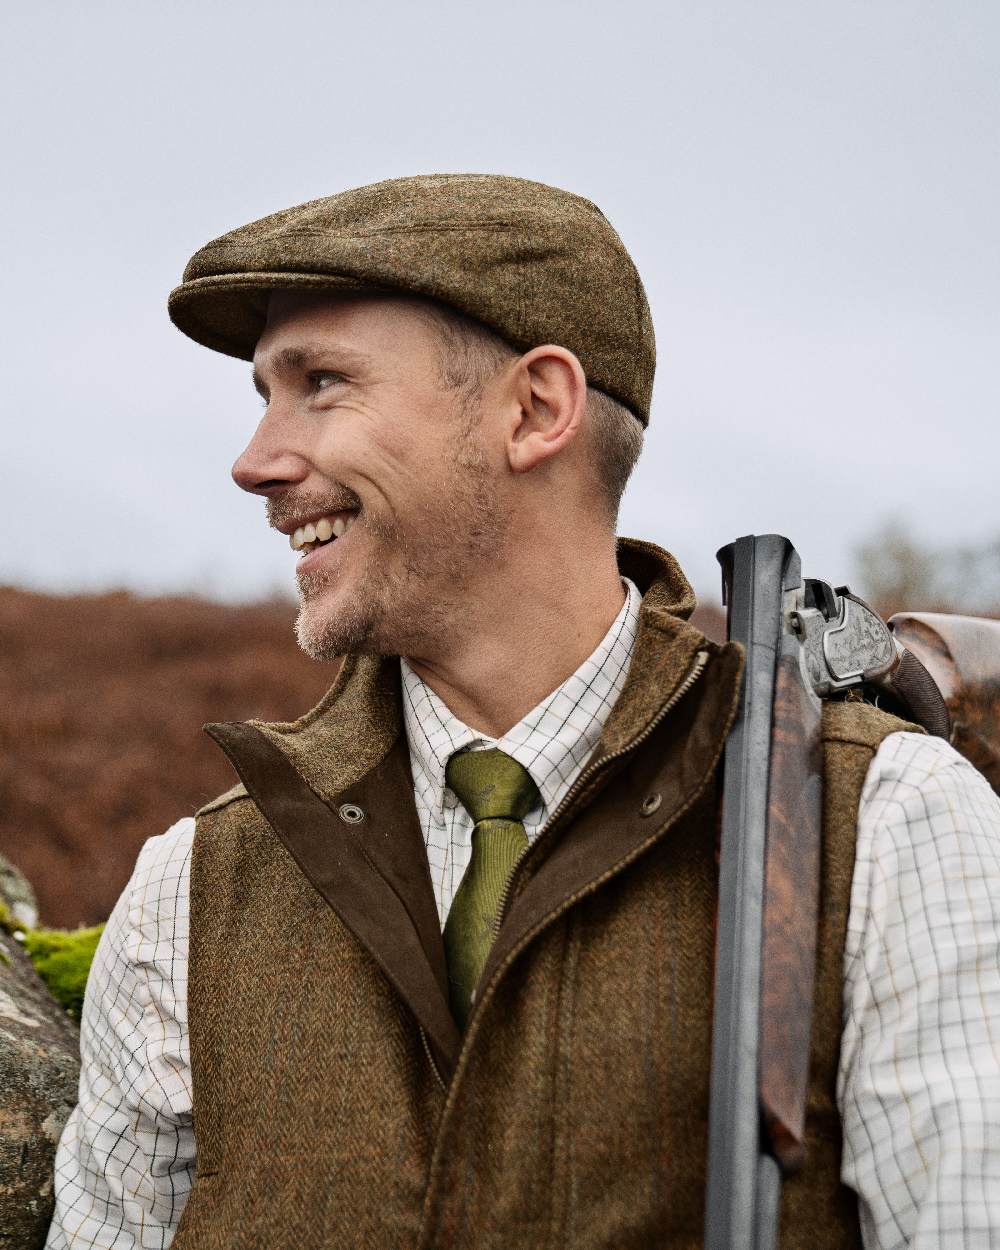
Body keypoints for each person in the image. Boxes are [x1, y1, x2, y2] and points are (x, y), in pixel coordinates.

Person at [46, 174, 1000, 1250]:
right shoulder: (190, 892)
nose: (255, 460)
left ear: (536, 408)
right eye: (263, 393)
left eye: (321, 383)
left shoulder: (888, 823)